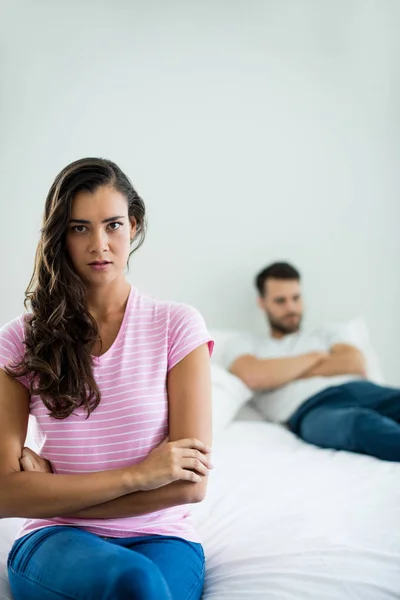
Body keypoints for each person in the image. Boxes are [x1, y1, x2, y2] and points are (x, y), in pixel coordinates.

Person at [0, 158, 214, 600]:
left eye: (112, 225)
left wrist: (52, 489)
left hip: (163, 539)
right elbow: (4, 494)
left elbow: (190, 486)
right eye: (80, 228)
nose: (99, 244)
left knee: (145, 586)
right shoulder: (20, 339)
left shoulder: (177, 327)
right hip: (58, 540)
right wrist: (139, 475)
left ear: (133, 225)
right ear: (61, 235)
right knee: (134, 583)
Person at [224, 262, 400, 461]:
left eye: (296, 298)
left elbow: (355, 362)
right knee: (360, 424)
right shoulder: (245, 343)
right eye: (280, 301)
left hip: (362, 390)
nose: (291, 307)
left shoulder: (327, 333)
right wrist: (315, 356)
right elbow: (253, 376)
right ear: (262, 303)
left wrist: (279, 372)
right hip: (311, 410)